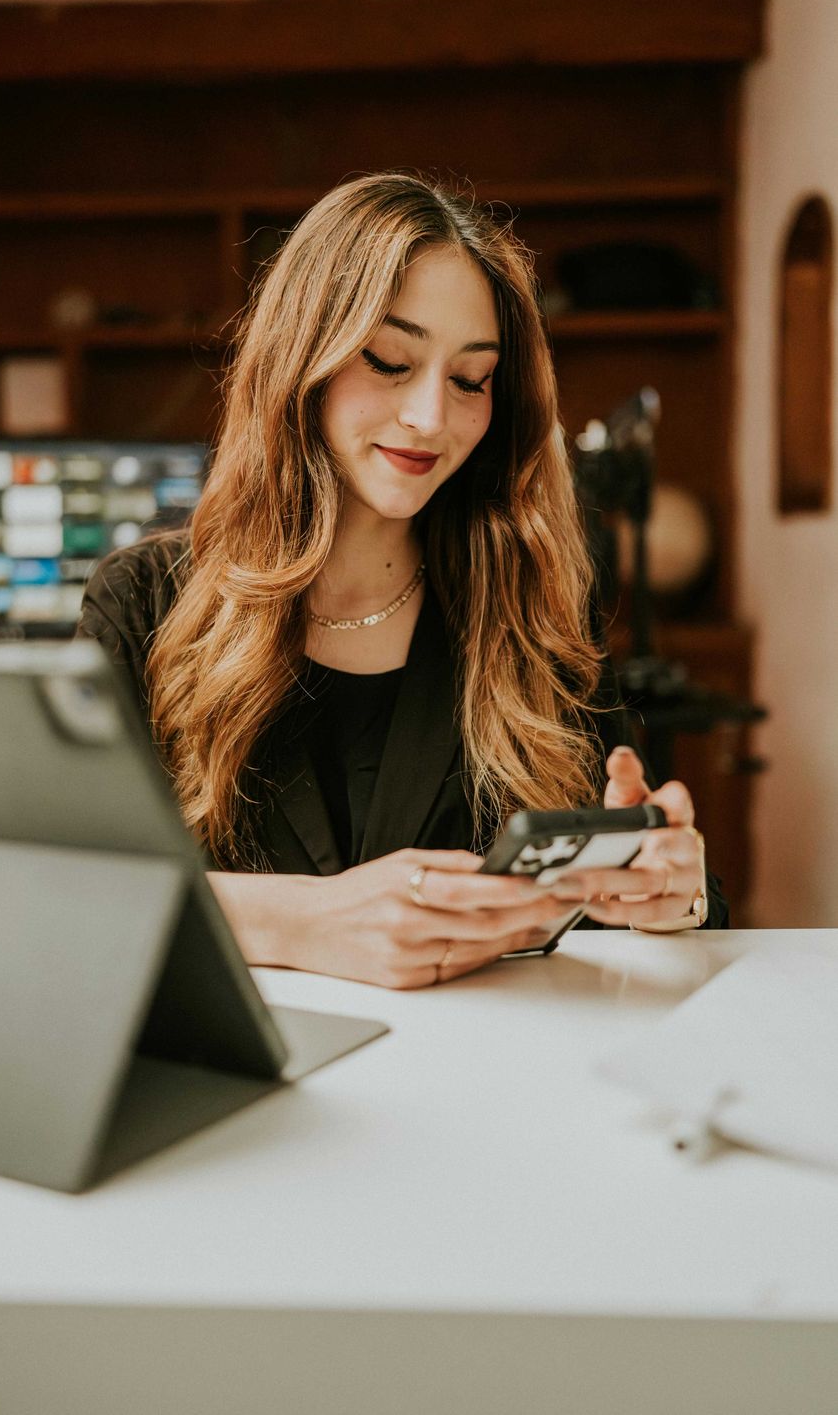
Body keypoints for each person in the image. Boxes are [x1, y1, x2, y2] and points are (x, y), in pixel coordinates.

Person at [78, 172, 726, 988]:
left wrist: (670, 890)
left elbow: (640, 900)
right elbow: (69, 897)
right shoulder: (143, 604)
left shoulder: (528, 607)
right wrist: (312, 924)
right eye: (389, 359)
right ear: (299, 359)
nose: (430, 416)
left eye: (470, 379)